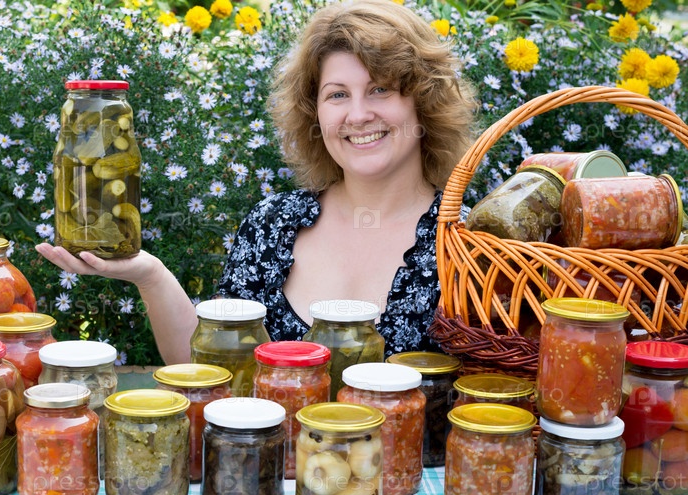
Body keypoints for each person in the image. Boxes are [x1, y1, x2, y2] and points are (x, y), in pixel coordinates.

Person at [35, 0, 476, 363]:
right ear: (314, 113)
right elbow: (210, 369)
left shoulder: (471, 247)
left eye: (380, 89)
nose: (358, 115)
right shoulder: (273, 225)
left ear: (424, 103)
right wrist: (149, 276)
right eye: (338, 94)